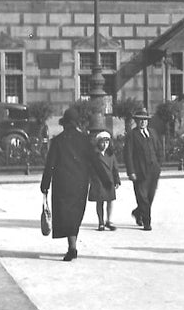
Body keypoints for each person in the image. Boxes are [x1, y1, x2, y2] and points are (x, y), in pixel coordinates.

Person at [40, 106, 114, 261]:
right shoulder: (85, 141)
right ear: (76, 124)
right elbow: (95, 162)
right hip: (80, 184)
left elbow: (50, 165)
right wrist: (107, 181)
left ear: (65, 124)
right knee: (75, 215)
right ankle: (72, 246)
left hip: (62, 184)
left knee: (65, 215)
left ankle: (72, 246)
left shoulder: (57, 141)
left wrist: (45, 185)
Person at [126, 109, 161, 230]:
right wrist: (131, 172)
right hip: (140, 171)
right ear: (136, 121)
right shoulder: (132, 135)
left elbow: (159, 149)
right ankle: (147, 222)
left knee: (150, 196)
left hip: (153, 171)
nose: (143, 122)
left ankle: (138, 212)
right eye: (140, 120)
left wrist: (159, 165)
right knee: (142, 197)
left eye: (145, 120)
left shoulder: (153, 132)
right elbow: (128, 154)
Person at [88, 125, 120, 231]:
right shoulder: (94, 155)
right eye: (102, 142)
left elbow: (115, 168)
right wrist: (91, 180)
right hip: (98, 181)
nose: (105, 144)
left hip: (109, 181)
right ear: (98, 143)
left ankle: (109, 220)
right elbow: (90, 169)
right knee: (100, 202)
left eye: (107, 142)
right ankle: (101, 222)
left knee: (110, 200)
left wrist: (117, 180)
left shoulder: (111, 155)